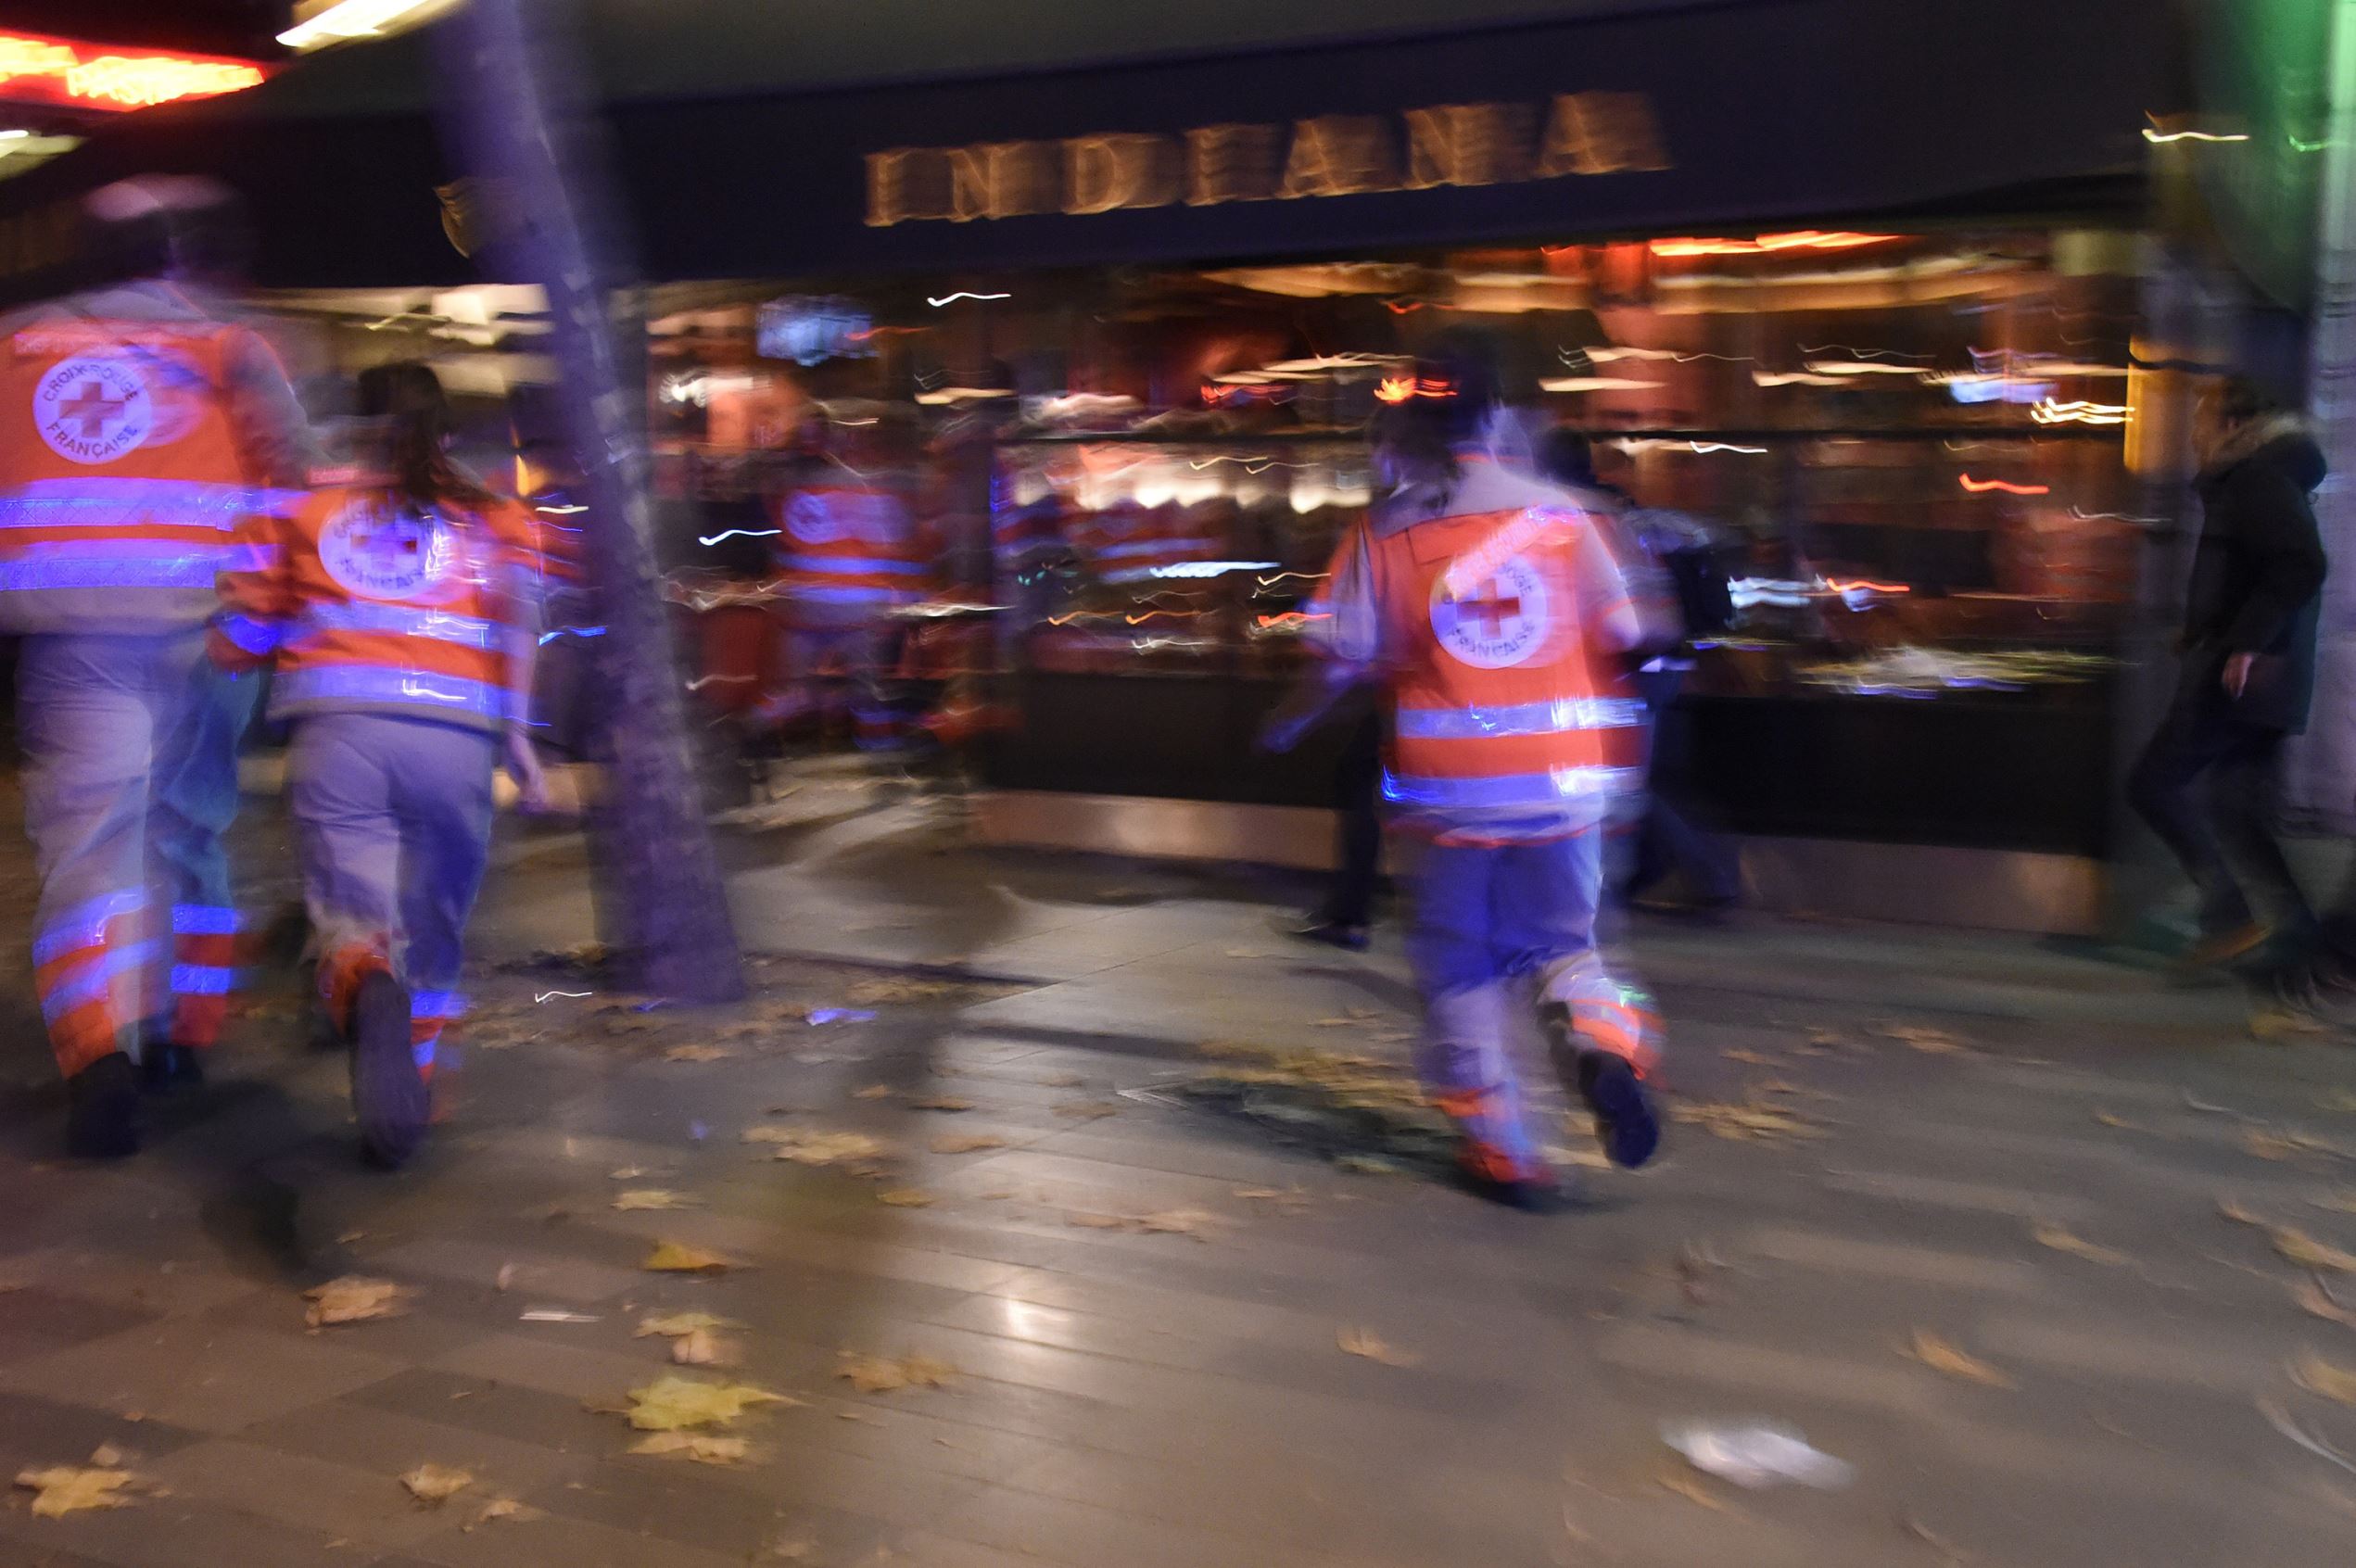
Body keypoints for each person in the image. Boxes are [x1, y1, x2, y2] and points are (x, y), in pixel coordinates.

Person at [1262, 335, 1664, 1208]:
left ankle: (1503, 1148)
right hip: (1564, 782)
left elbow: (1341, 655)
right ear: (1497, 415)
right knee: (1566, 946)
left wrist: (1290, 722)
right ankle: (1605, 1046)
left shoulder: (1387, 531)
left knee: (1460, 966)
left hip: (1449, 793)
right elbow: (1631, 636)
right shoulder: (1563, 515)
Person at [0, 177, 312, 1157]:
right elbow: (297, 489)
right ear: (173, 259)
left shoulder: (16, 346)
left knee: (89, 845)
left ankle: (99, 1052)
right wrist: (266, 627)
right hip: (205, 640)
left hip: (72, 640)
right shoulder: (226, 347)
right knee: (187, 831)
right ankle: (183, 1035)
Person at [214, 362, 547, 1166]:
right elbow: (520, 625)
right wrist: (522, 739)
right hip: (456, 740)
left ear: (354, 424)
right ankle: (416, 1101)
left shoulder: (306, 506)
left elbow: (245, 632)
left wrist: (234, 647)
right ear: (446, 427)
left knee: (354, 914)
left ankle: (368, 981)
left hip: (341, 739)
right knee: (439, 919)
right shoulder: (495, 516)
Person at [2127, 378, 2327, 969]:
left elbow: (2300, 564)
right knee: (2237, 812)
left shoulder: (2257, 480)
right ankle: (2303, 941)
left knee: (2152, 785)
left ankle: (2231, 918)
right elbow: (2253, 572)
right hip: (2269, 678)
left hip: (2238, 679)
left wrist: (2241, 645)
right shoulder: (2268, 476)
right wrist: (2198, 629)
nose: (2192, 433)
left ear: (2235, 426)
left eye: (2202, 419)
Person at [1539, 429, 1741, 913]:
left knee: (1631, 781)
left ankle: (1706, 879)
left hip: (1631, 665)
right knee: (1641, 777)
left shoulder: (1577, 513)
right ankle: (1651, 877)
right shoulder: (1619, 507)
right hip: (1658, 659)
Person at [760, 403, 935, 749]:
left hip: (806, 612)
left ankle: (750, 742)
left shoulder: (790, 492)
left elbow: (781, 549)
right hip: (858, 610)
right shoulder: (865, 488)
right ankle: (881, 753)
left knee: (794, 690)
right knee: (866, 691)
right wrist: (912, 598)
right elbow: (894, 548)